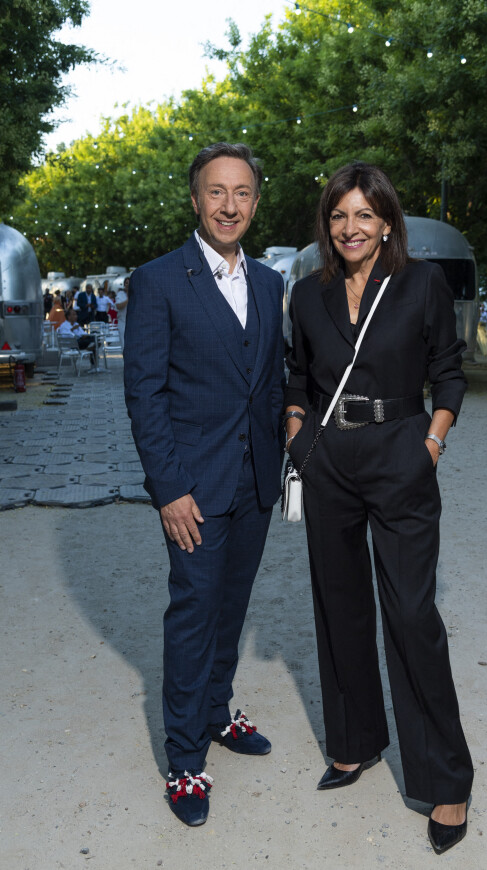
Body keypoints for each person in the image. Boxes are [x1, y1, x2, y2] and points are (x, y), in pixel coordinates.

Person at [285, 162, 473, 855]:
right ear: (327, 226)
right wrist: (298, 428)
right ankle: (354, 742)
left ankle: (445, 779)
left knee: (411, 613)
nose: (350, 227)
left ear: (386, 221)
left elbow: (449, 370)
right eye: (338, 215)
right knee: (339, 605)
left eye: (364, 214)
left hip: (401, 451)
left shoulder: (422, 283)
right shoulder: (308, 294)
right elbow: (298, 370)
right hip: (328, 458)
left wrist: (431, 441)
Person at [124, 142, 285, 828]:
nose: (229, 205)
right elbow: (145, 392)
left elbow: (272, 382)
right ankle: (186, 758)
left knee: (230, 607)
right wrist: (168, 488)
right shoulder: (159, 280)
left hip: (253, 483)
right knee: (193, 615)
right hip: (191, 489)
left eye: (242, 192)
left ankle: (217, 713)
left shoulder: (273, 284)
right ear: (195, 200)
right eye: (216, 192)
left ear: (254, 201)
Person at [115, 276, 129, 350]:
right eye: (126, 283)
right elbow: (118, 306)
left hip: (133, 322)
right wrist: (128, 299)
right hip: (123, 322)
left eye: (129, 283)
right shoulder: (120, 294)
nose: (128, 285)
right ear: (124, 284)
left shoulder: (136, 294)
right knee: (124, 345)